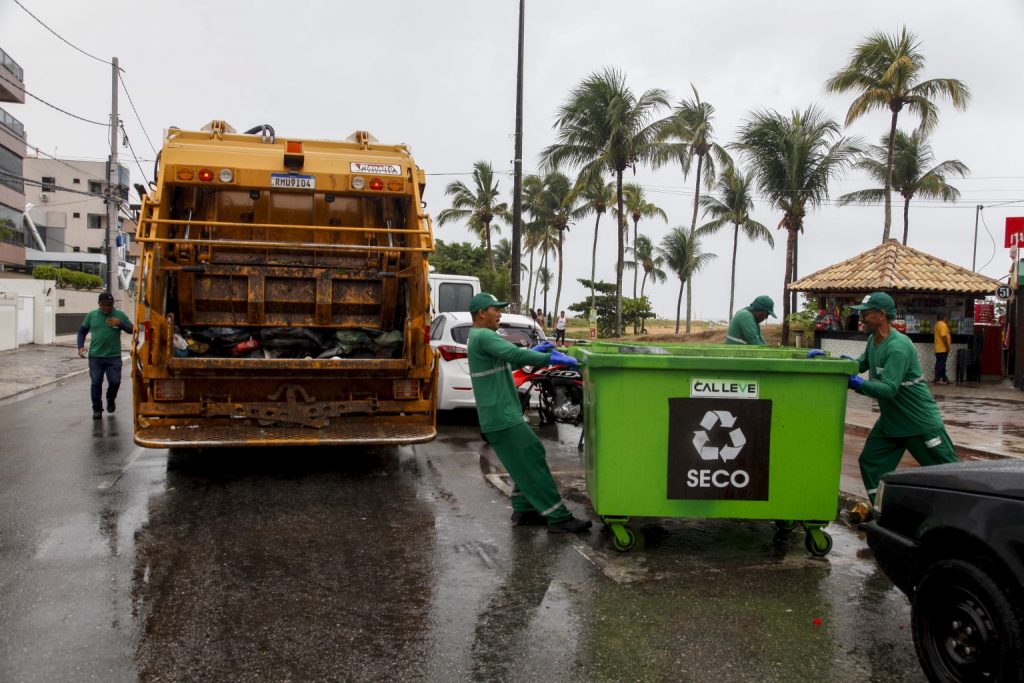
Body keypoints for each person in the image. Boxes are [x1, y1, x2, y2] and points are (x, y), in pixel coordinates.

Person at [467, 292, 592, 533]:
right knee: (532, 456)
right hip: (502, 415)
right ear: (482, 313)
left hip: (500, 414)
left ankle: (524, 509)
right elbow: (514, 354)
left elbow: (509, 362)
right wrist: (549, 357)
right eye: (496, 309)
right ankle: (559, 517)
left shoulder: (480, 338)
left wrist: (537, 351)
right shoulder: (483, 335)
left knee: (526, 458)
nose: (500, 314)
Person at [847, 292, 958, 506]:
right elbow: (859, 365)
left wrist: (857, 384)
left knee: (948, 472)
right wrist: (833, 364)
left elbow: (889, 389)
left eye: (865, 313)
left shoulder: (898, 347)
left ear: (880, 315)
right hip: (892, 421)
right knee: (871, 462)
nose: (860, 318)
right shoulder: (873, 340)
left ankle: (962, 514)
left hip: (918, 423)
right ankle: (884, 510)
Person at [78, 292, 133, 419]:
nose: (107, 308)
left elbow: (132, 329)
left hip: (113, 357)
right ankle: (97, 409)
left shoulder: (119, 315)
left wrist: (120, 324)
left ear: (113, 304)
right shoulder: (92, 315)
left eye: (109, 305)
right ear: (99, 304)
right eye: (104, 305)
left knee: (115, 382)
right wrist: (80, 346)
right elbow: (82, 331)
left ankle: (110, 398)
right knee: (96, 382)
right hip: (95, 357)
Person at [933, 312, 951, 385]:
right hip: (942, 348)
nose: (947, 319)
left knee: (942, 364)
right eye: (946, 318)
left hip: (938, 348)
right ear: (944, 318)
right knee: (940, 364)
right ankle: (937, 379)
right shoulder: (943, 325)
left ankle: (944, 378)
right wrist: (947, 347)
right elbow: (943, 336)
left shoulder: (937, 324)